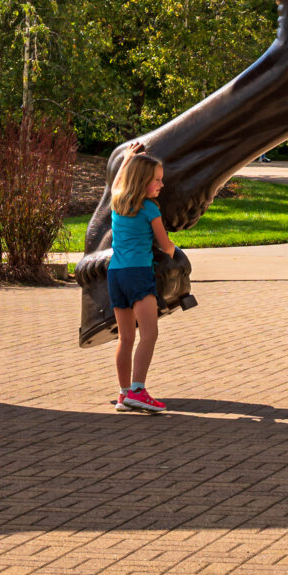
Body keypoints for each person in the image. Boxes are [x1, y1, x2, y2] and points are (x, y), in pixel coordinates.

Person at [104, 148, 178, 413]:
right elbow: (164, 243)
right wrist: (172, 250)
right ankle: (138, 390)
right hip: (138, 274)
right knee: (149, 334)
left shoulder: (118, 202)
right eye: (157, 179)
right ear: (142, 181)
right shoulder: (149, 208)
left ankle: (124, 395)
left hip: (116, 274)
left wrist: (125, 161)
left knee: (126, 337)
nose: (161, 184)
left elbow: (115, 185)